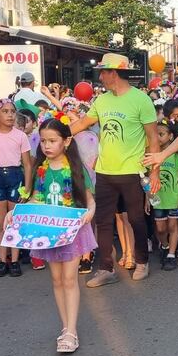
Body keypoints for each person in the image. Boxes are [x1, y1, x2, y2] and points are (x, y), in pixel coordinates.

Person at [69, 53, 160, 287]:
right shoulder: (102, 101)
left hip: (132, 171)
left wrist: (155, 172)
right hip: (104, 171)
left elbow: (153, 139)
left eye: (103, 71)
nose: (100, 76)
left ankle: (142, 261)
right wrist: (57, 133)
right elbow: (82, 124)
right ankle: (105, 268)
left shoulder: (141, 100)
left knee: (137, 219)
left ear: (114, 73)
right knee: (103, 221)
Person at [13, 119, 97, 353]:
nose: (47, 146)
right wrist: (16, 213)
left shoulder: (77, 169)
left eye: (52, 141)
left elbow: (89, 200)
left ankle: (71, 331)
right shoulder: (41, 170)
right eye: (43, 141)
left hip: (72, 230)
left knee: (70, 279)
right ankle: (65, 327)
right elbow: (34, 199)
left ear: (66, 141)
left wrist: (89, 213)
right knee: (57, 280)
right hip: (48, 232)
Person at [0, 99, 34, 278]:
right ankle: (3, 260)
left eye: (12, 111)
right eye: (5, 111)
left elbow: (27, 165)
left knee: (13, 221)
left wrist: (27, 188)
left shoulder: (20, 136)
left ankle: (15, 260)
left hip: (15, 176)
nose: (10, 115)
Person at [150, 120, 178, 271]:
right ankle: (164, 245)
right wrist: (147, 198)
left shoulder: (176, 156)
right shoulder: (151, 155)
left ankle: (171, 254)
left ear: (171, 136)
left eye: (161, 134)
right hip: (157, 199)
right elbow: (147, 179)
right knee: (160, 228)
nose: (158, 137)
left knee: (172, 226)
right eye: (156, 134)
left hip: (173, 198)